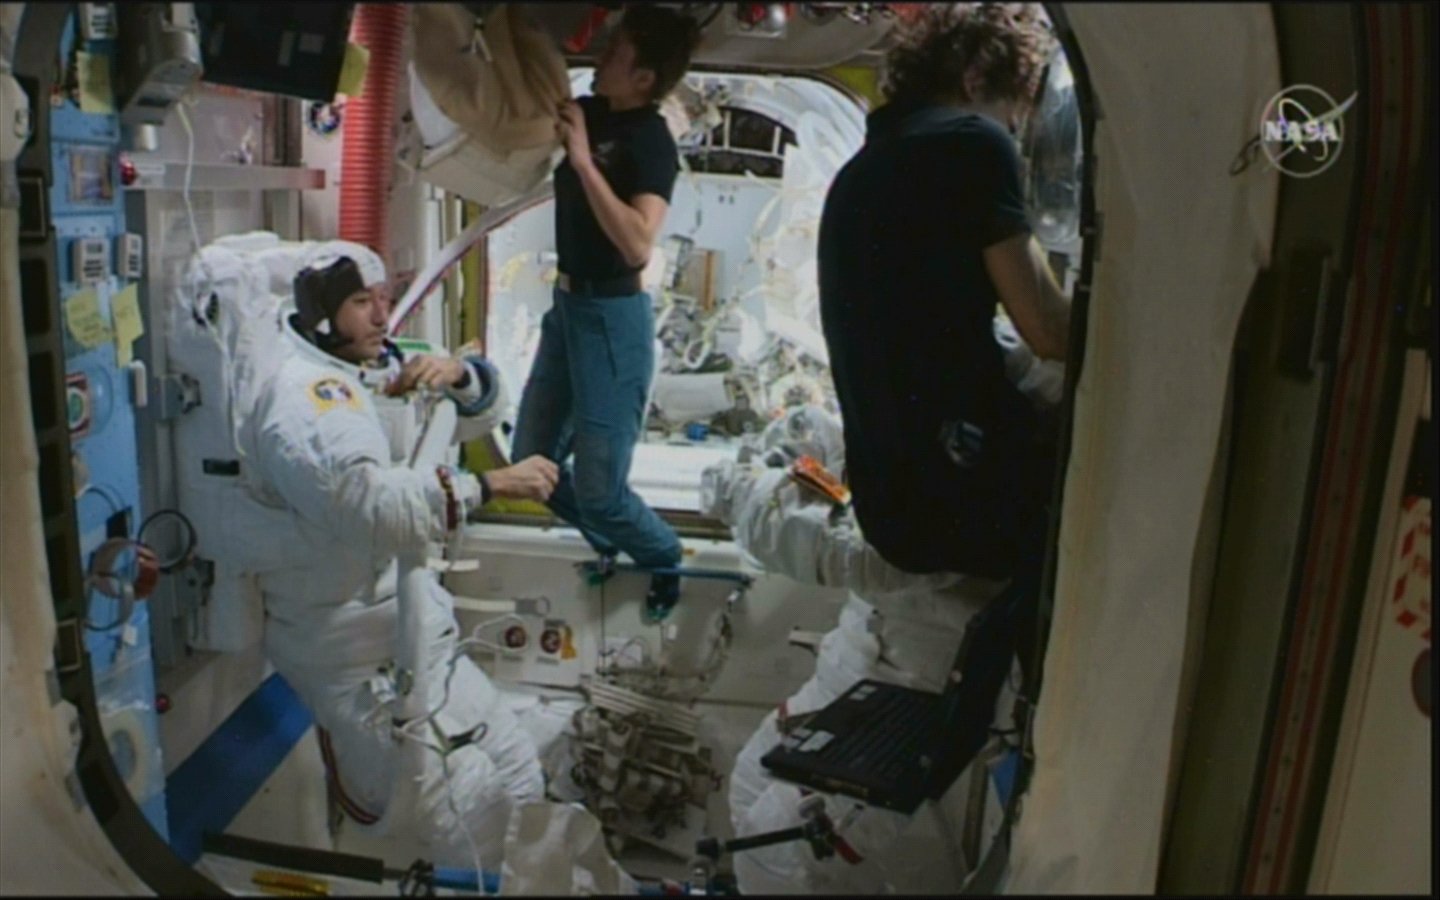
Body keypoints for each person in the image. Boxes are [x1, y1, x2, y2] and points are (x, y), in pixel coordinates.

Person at [243, 246, 560, 866]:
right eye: (362, 303)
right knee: (469, 817)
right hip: (353, 656)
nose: (381, 317)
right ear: (321, 316)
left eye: (383, 300)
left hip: (421, 640)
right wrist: (491, 485)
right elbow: (375, 510)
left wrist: (460, 376)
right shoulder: (306, 401)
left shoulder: (379, 364)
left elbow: (483, 409)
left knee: (521, 778)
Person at [700, 407, 1021, 895]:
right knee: (748, 784)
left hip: (911, 700)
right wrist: (810, 443)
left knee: (772, 862)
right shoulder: (920, 401)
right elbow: (861, 461)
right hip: (853, 673)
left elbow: (873, 553)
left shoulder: (983, 459)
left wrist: (747, 496)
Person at [816, 3, 1066, 583]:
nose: (1012, 131)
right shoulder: (972, 143)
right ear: (976, 76)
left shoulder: (862, 169)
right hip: (967, 491)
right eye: (1012, 114)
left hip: (890, 506)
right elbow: (1048, 330)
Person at [510, 4, 702, 623]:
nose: (602, 57)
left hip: (613, 321)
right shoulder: (588, 111)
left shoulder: (651, 143)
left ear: (644, 78)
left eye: (616, 53)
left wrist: (585, 163)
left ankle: (663, 555)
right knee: (529, 459)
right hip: (568, 308)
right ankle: (609, 540)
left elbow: (638, 244)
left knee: (601, 490)